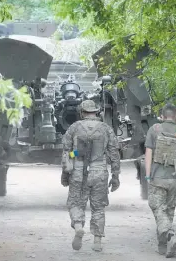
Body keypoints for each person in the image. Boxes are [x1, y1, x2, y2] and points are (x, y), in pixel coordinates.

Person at [60, 100, 121, 252]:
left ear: (81, 112)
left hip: (78, 172)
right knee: (98, 208)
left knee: (75, 204)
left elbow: (67, 153)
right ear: (97, 112)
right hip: (99, 171)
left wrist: (65, 174)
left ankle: (79, 226)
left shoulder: (74, 128)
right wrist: (115, 176)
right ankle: (97, 241)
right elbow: (114, 153)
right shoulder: (106, 129)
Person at [144, 103, 176, 258]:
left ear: (162, 116)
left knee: (158, 209)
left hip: (157, 177)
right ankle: (162, 246)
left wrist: (147, 175)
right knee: (169, 210)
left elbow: (148, 154)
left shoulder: (154, 130)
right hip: (173, 179)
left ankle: (170, 235)